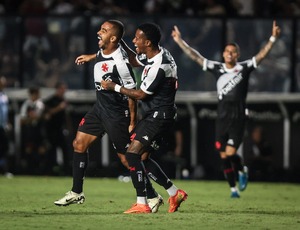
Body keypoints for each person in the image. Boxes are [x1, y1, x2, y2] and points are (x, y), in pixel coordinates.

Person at [53, 20, 162, 213]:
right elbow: (104, 54)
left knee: (128, 159)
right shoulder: (106, 50)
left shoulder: (120, 64)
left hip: (116, 113)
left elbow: (132, 92)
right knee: (79, 143)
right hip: (99, 108)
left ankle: (152, 196)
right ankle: (77, 192)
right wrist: (90, 56)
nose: (98, 32)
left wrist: (132, 122)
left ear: (113, 38)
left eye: (103, 31)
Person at [171, 21, 280, 198]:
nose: (229, 54)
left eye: (233, 51)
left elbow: (261, 56)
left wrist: (273, 37)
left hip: (238, 117)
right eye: (227, 51)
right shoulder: (217, 68)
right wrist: (179, 42)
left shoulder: (244, 68)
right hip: (222, 117)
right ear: (223, 54)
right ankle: (233, 189)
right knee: (223, 155)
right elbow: (196, 57)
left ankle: (242, 171)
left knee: (230, 152)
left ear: (237, 54)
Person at [101, 22, 188, 214]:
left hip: (159, 116)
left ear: (147, 42)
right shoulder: (155, 53)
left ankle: (142, 203)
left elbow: (141, 95)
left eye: (137, 38)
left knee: (132, 154)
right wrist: (119, 38)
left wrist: (114, 87)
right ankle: (174, 193)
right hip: (155, 115)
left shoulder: (160, 65)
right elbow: (133, 58)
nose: (134, 41)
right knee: (142, 158)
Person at [43, 82, 71, 175]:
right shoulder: (50, 101)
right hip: (52, 130)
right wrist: (59, 107)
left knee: (65, 150)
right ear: (58, 89)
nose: (64, 91)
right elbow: (48, 113)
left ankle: (66, 170)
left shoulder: (63, 100)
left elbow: (65, 116)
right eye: (62, 89)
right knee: (52, 150)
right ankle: (49, 170)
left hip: (60, 129)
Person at [20, 86, 46, 174]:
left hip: (39, 130)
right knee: (29, 149)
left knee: (41, 150)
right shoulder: (26, 104)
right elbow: (22, 120)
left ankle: (40, 171)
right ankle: (29, 171)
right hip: (30, 131)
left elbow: (40, 117)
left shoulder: (40, 104)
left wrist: (33, 117)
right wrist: (31, 118)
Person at [0, 76, 11, 175]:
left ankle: (3, 169)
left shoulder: (4, 96)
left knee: (5, 147)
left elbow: (5, 111)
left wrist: (7, 122)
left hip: (2, 126)